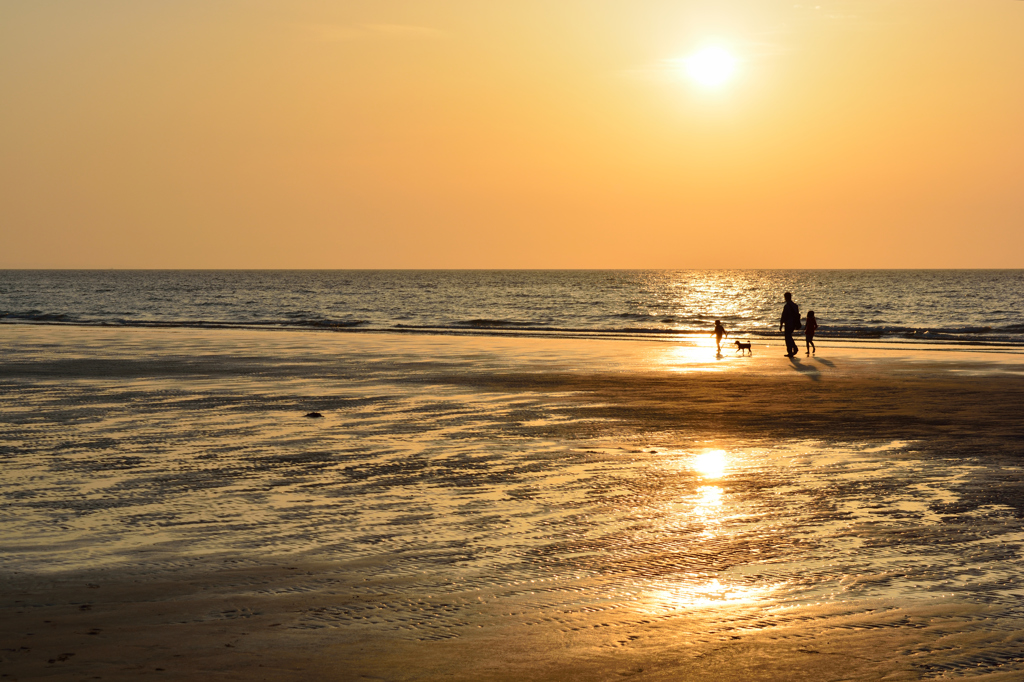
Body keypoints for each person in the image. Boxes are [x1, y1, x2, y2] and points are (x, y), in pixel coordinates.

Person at [779, 292, 801, 357]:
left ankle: (791, 351)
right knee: (789, 336)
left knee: (787, 337)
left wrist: (781, 324)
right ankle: (793, 348)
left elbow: (783, 316)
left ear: (786, 297)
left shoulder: (787, 306)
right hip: (794, 323)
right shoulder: (795, 305)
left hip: (788, 323)